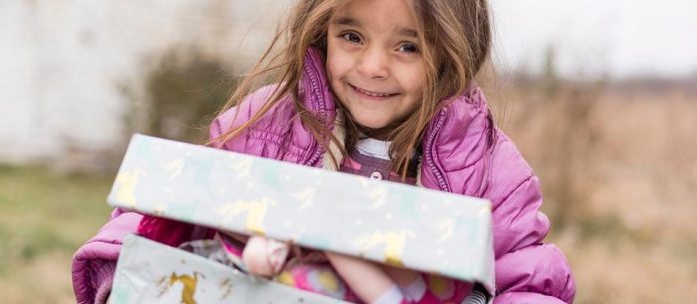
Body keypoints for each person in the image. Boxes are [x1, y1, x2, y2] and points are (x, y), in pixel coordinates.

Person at [72, 0, 576, 303]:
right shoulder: (268, 124)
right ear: (322, 31)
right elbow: (167, 212)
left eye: (408, 46)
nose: (372, 66)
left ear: (452, 50)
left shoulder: (485, 165)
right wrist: (125, 279)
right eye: (351, 36)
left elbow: (530, 279)